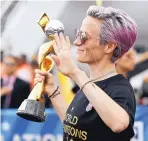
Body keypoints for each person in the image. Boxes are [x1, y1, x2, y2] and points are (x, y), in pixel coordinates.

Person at [34, 5, 137, 141]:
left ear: (109, 46)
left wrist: (75, 73)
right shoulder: (89, 84)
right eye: (78, 33)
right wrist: (53, 91)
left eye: (84, 36)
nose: (76, 42)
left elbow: (119, 124)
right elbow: (76, 126)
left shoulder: (119, 88)